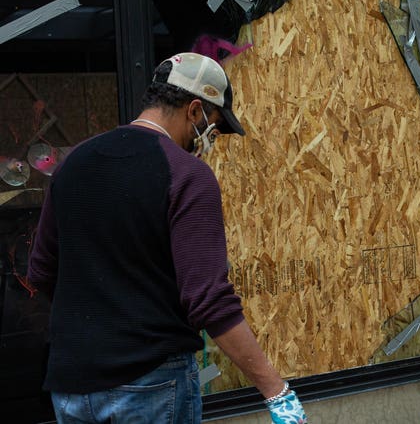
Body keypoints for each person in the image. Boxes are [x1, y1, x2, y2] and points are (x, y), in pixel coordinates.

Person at [27, 53, 308, 424]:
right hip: (151, 383)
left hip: (72, 386)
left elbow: (41, 271)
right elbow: (209, 301)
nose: (211, 139)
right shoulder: (187, 175)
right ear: (194, 111)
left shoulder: (74, 163)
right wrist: (276, 391)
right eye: (215, 126)